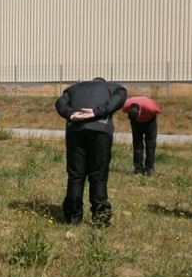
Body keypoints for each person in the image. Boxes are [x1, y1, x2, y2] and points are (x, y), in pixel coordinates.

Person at [55, 77, 128, 226]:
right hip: (100, 132)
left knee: (76, 175)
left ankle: (73, 217)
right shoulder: (112, 87)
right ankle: (101, 216)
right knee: (98, 175)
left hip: (75, 130)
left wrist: (71, 114)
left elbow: (59, 103)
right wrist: (97, 112)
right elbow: (121, 96)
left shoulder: (73, 88)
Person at [122, 95, 161, 176]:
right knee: (137, 145)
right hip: (136, 124)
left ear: (140, 112)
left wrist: (146, 116)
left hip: (150, 121)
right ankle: (138, 169)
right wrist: (135, 120)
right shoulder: (126, 106)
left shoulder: (150, 107)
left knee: (150, 145)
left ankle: (149, 168)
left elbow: (158, 109)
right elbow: (124, 111)